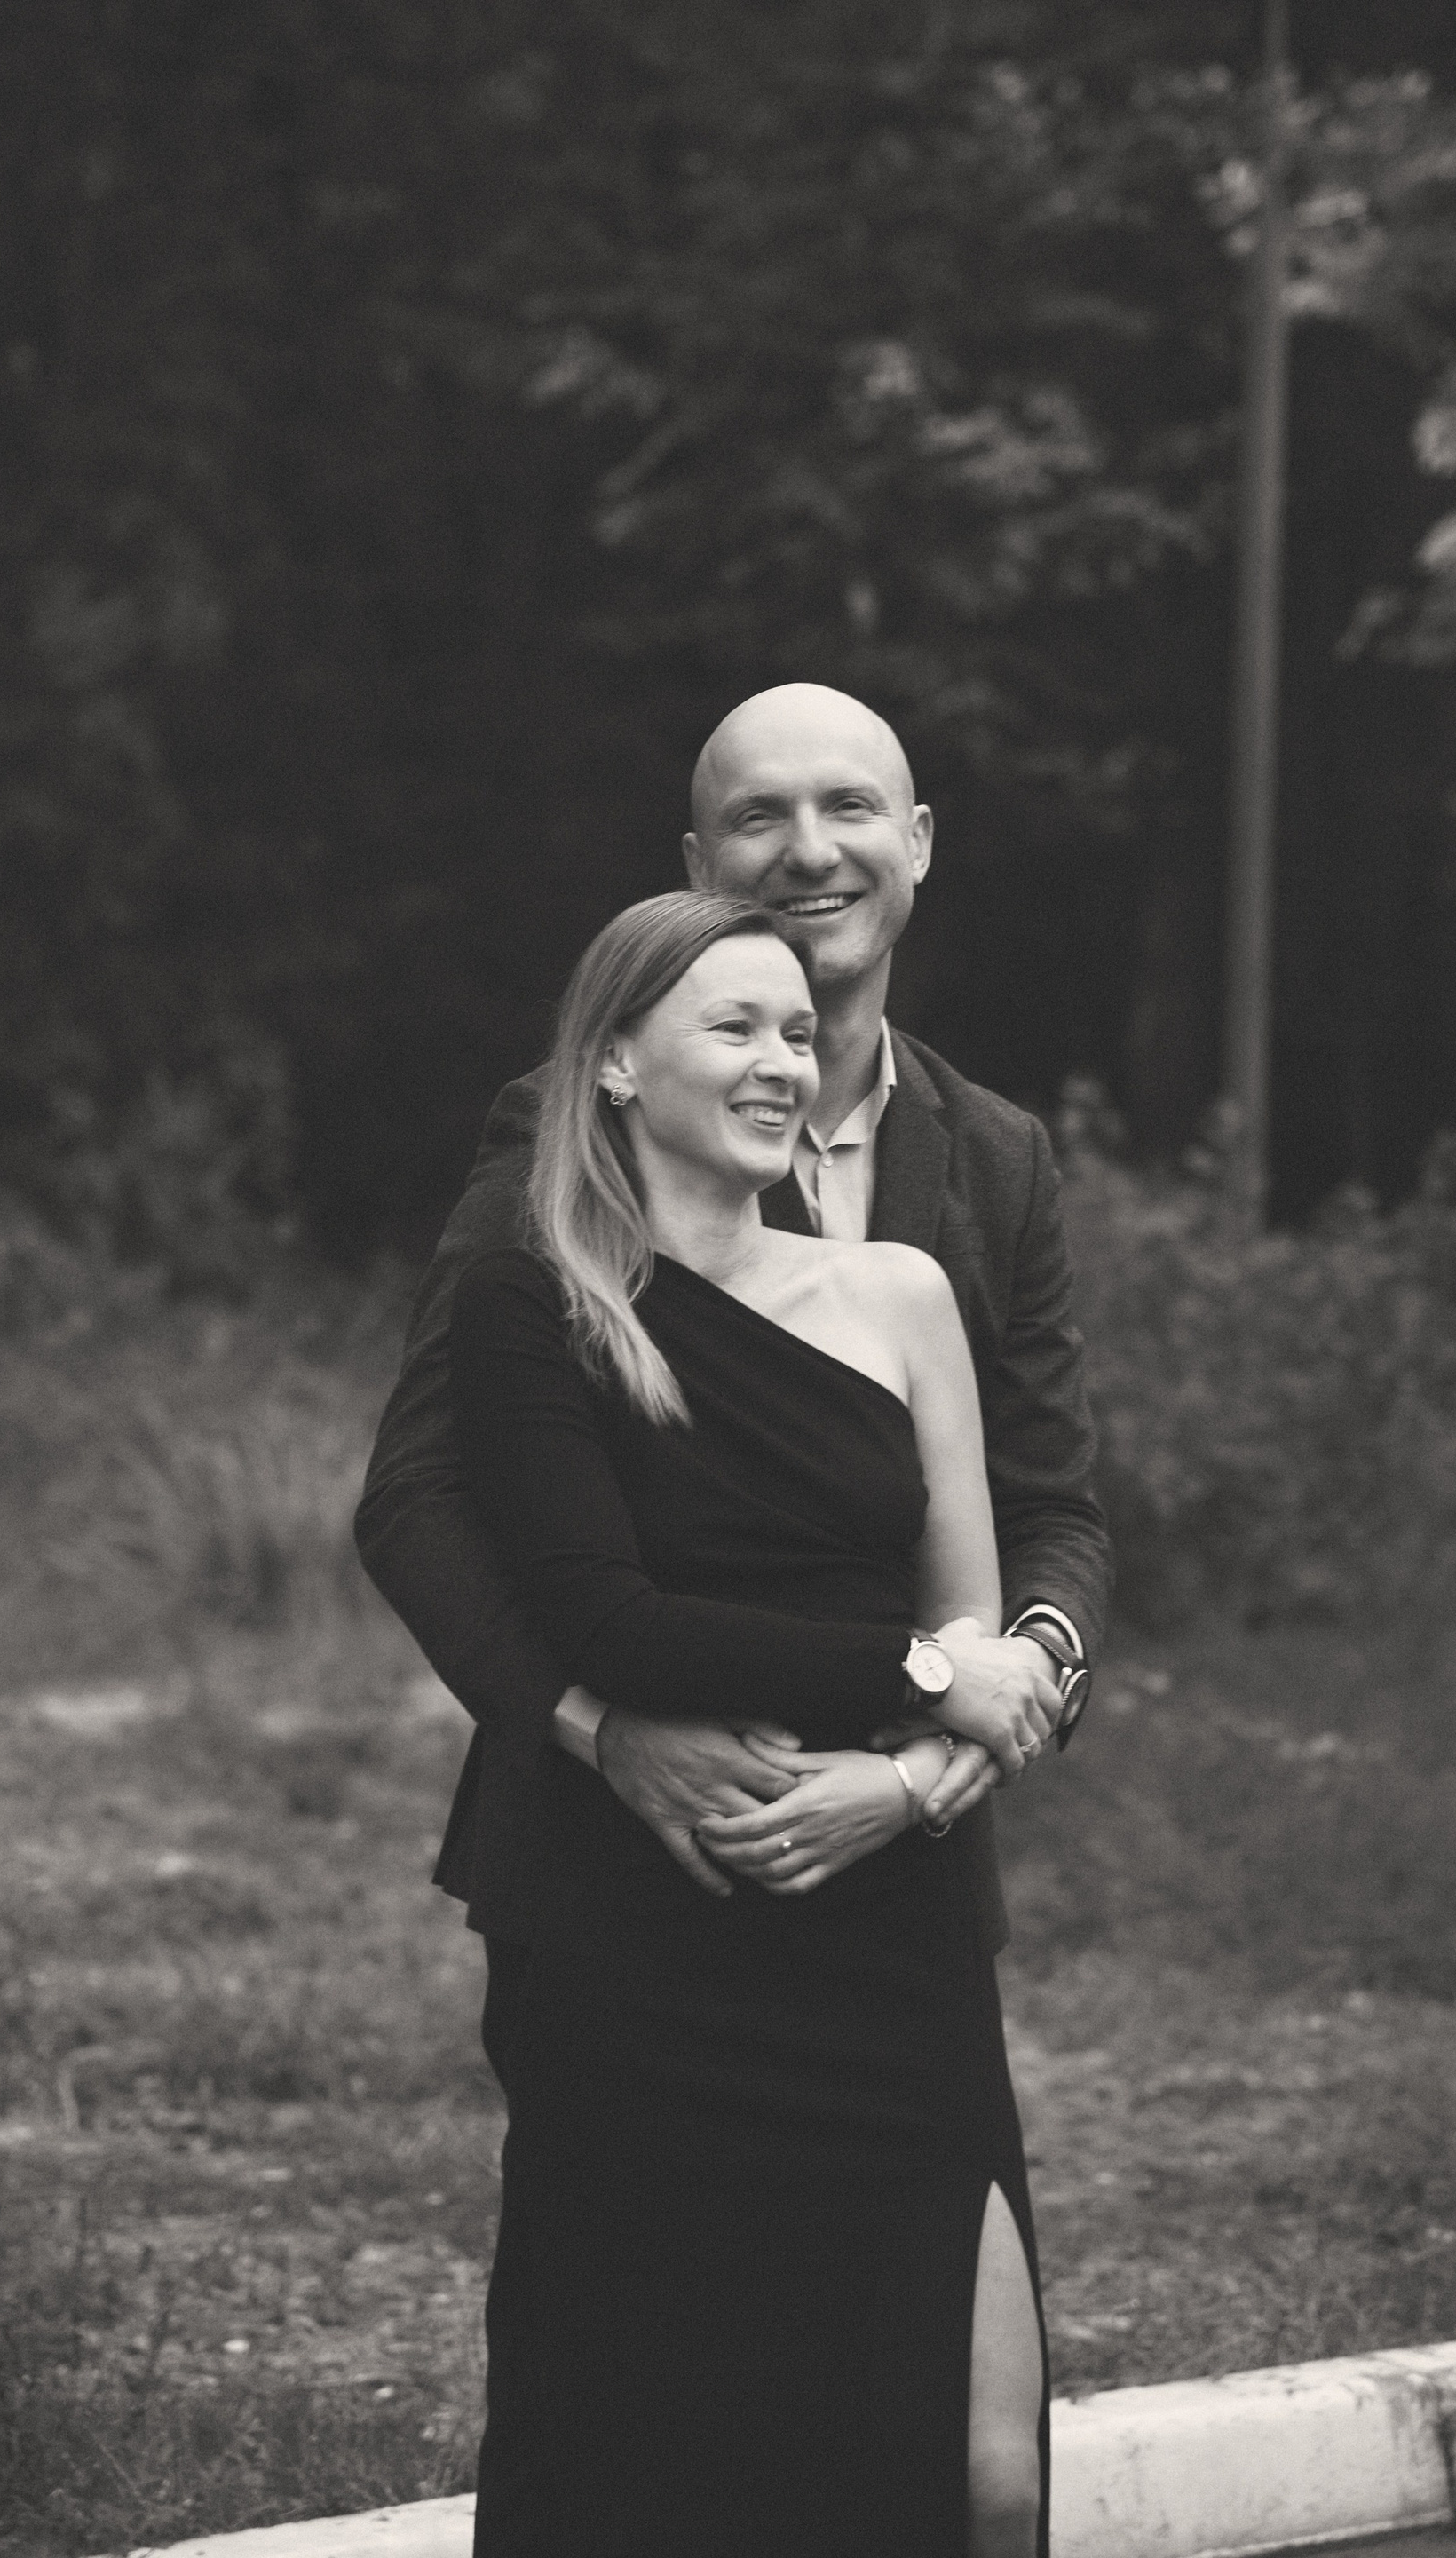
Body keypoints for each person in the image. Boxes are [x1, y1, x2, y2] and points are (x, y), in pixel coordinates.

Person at [449, 889, 1061, 2555]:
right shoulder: (535, 1299)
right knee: (663, 2447)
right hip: (657, 1927)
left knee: (987, 2468)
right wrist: (925, 1684)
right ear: (615, 1063)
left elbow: (973, 1614)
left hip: (893, 1936)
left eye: (797, 1029)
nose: (784, 1059)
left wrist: (907, 1787)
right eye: (733, 1026)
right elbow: (611, 1623)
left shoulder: (903, 1291)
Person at [356, 683, 1111, 2007]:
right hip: (616, 1859)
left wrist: (965, 1736)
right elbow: (417, 1494)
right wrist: (602, 1731)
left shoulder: (999, 1158)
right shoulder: (567, 1131)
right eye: (761, 817)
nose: (810, 851)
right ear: (701, 868)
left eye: (849, 807)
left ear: (919, 842)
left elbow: (1049, 1509)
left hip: (901, 1859)